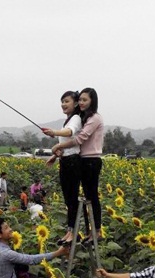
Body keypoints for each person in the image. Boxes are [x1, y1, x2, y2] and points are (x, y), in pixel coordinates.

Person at [51, 88, 104, 244]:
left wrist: (57, 147)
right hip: (83, 160)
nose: (81, 102)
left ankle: (97, 231)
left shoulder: (94, 118)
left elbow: (79, 139)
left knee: (92, 197)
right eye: (80, 99)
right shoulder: (84, 117)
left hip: (92, 160)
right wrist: (56, 153)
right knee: (86, 198)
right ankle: (88, 232)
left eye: (84, 100)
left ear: (92, 101)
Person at [42, 90, 82, 245]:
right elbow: (67, 142)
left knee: (72, 199)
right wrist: (55, 156)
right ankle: (70, 231)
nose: (63, 104)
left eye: (66, 101)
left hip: (73, 162)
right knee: (68, 199)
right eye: (62, 102)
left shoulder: (76, 118)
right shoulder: (68, 120)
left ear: (76, 103)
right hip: (66, 160)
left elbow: (70, 132)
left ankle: (74, 232)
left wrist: (54, 132)